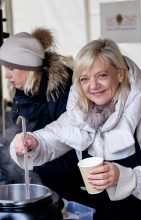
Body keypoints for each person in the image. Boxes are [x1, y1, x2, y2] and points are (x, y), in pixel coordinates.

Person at [9, 38, 141, 220]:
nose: (93, 86)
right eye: (84, 79)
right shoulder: (82, 111)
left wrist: (125, 177)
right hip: (101, 213)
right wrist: (29, 142)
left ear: (120, 74)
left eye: (102, 75)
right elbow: (49, 139)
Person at [0, 27, 77, 198]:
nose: (6, 75)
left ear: (28, 66)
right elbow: (17, 133)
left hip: (64, 187)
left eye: (11, 68)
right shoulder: (23, 90)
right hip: (35, 177)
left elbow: (72, 154)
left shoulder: (64, 92)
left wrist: (25, 164)